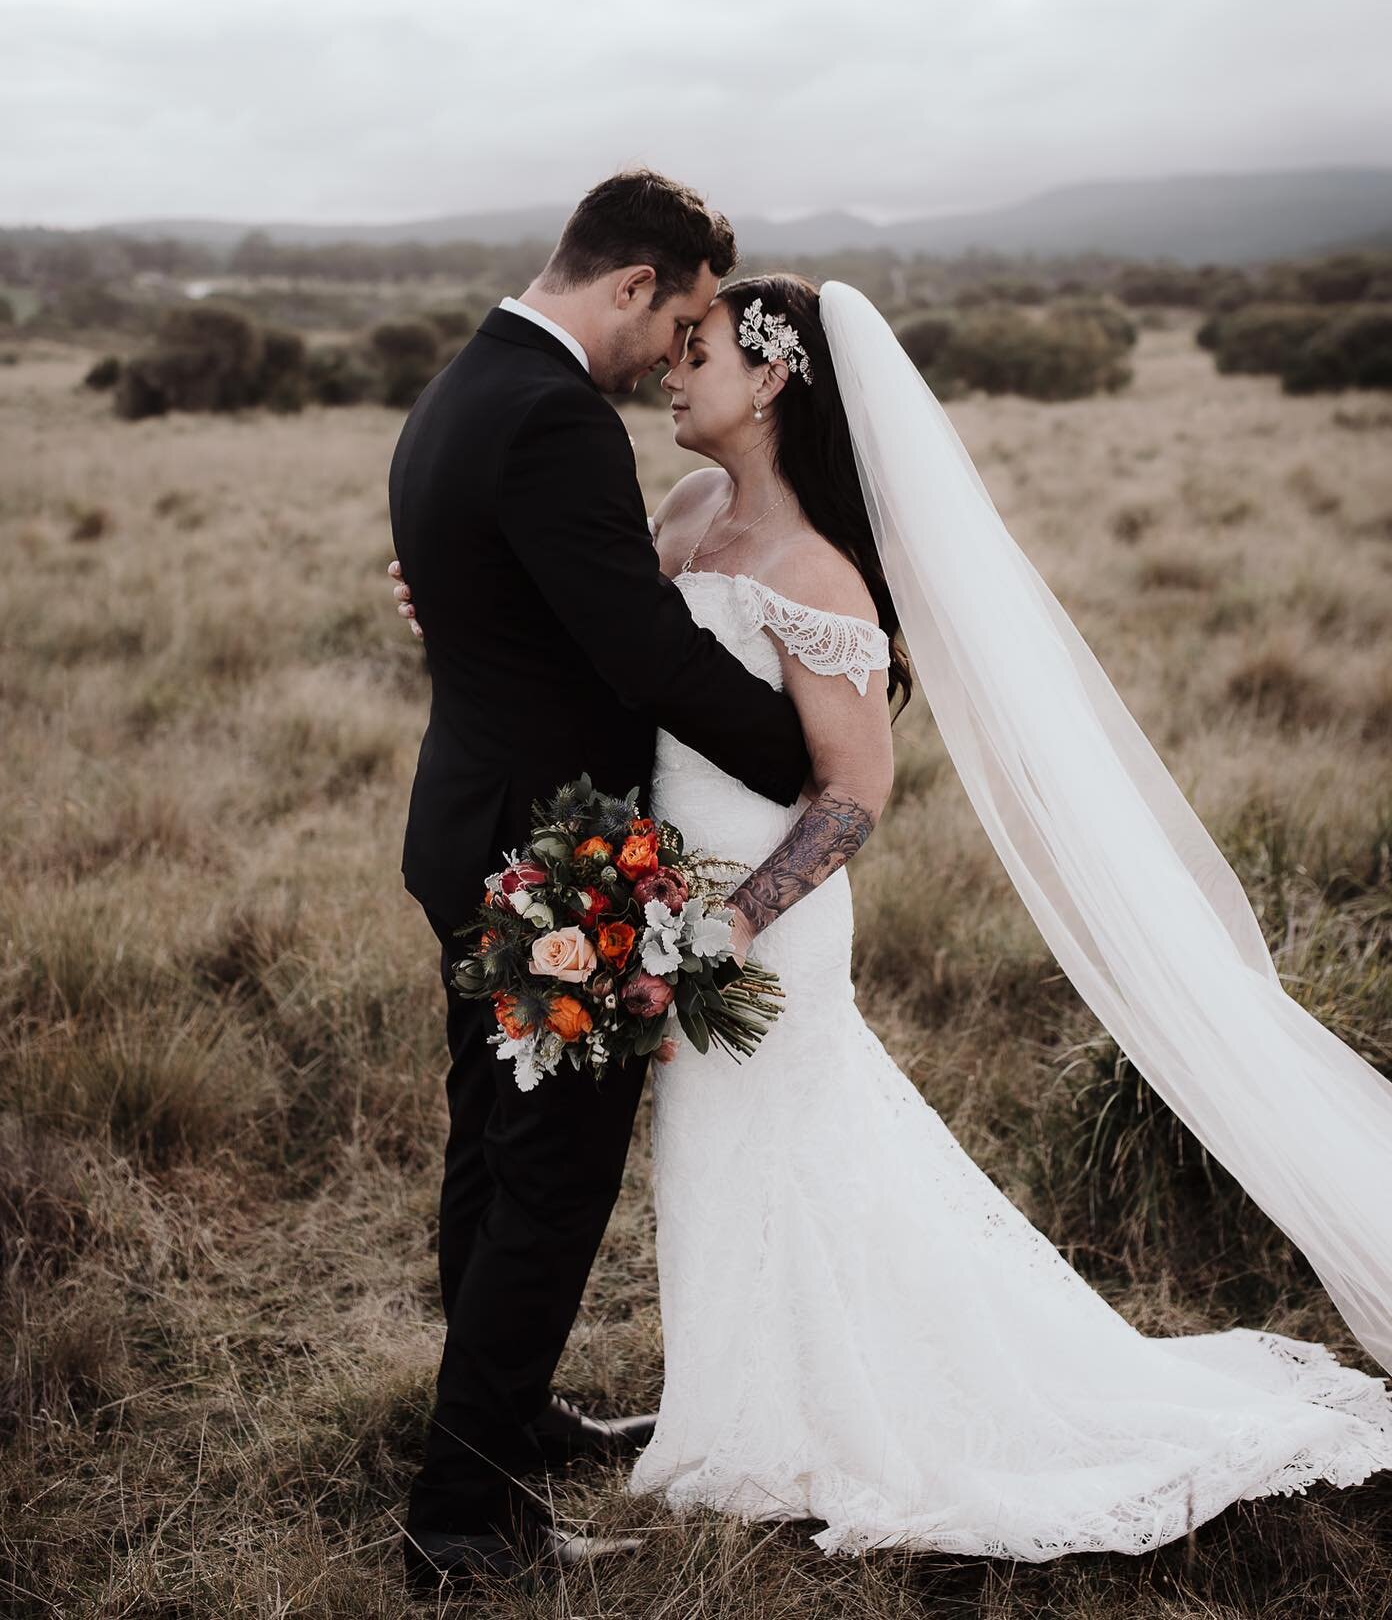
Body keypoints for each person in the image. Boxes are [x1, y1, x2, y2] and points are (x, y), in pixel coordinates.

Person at [393, 271, 1392, 1561]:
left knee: (796, 1151)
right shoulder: (688, 507)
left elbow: (854, 793)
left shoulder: (820, 574)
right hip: (655, 891)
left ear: (769, 382)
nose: (669, 373)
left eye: (695, 353)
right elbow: (601, 626)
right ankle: (744, 1407)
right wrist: (461, 601)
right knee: (714, 1161)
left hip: (757, 919)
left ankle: (870, 1413)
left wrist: (726, 931)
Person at [386, 172, 811, 1593]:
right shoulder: (557, 413)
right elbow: (636, 645)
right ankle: (461, 1518)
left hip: (470, 836)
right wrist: (808, 739)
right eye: (681, 318)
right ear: (634, 286)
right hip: (548, 868)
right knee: (553, 1185)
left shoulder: (464, 383)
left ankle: (495, 1418)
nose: (675, 352)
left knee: (489, 1158)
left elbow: (512, 605)